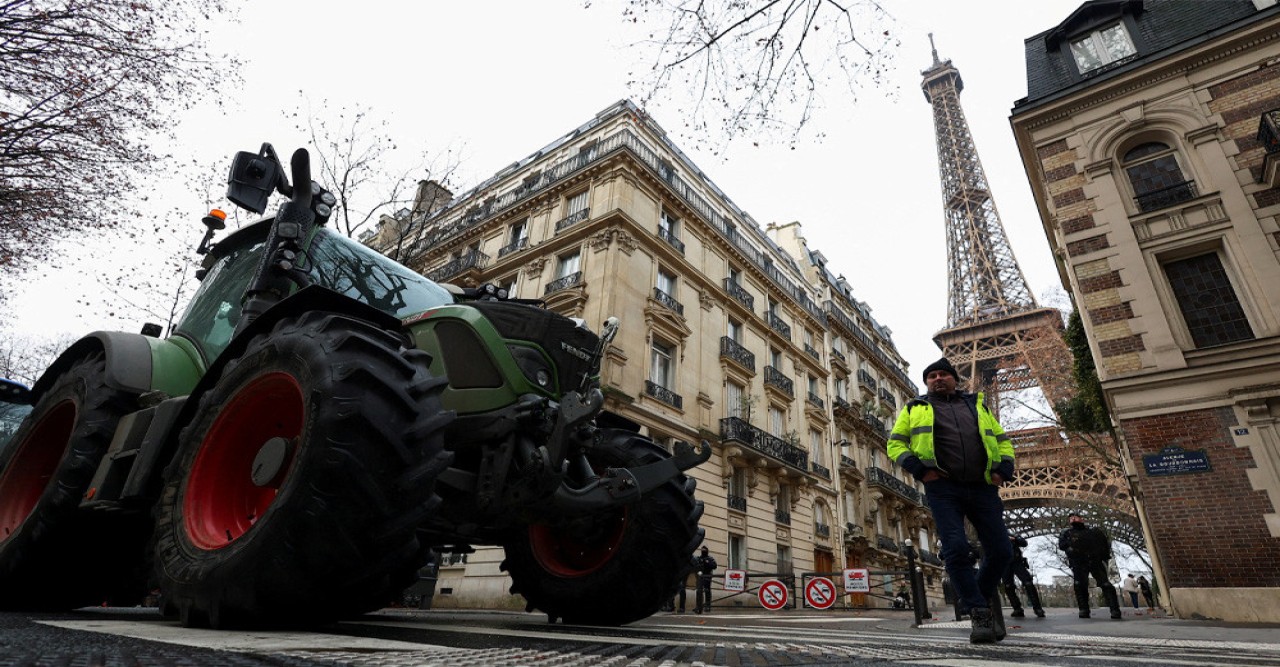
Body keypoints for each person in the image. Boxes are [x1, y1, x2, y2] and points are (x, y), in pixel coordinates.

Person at [887, 357, 1015, 644]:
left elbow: (1002, 440)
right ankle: (980, 612)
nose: (937, 378)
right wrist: (921, 470)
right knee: (956, 549)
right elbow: (895, 443)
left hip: (982, 485)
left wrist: (1003, 470)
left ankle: (976, 598)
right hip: (943, 487)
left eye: (944, 374)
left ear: (955, 379)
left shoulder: (977, 405)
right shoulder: (915, 408)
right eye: (931, 375)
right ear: (927, 382)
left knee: (1002, 552)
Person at [1058, 513, 1122, 619]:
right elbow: (1062, 545)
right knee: (1079, 585)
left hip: (1094, 560)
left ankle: (1115, 610)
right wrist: (1071, 551)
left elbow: (1104, 544)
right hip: (1078, 561)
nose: (1073, 518)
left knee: (1105, 584)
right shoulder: (1066, 533)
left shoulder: (1094, 531)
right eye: (1070, 518)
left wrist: (1103, 557)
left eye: (1075, 517)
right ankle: (1084, 610)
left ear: (1082, 519)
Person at [1002, 534, 1045, 618]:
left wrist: (1014, 539)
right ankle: (1017, 608)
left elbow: (1024, 543)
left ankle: (1037, 608)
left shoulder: (1010, 535)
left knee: (1028, 583)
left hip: (1017, 562)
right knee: (1008, 586)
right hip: (1004, 563)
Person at [692, 546, 716, 614]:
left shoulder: (710, 558)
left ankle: (707, 605)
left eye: (704, 550)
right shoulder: (699, 558)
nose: (703, 551)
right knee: (699, 591)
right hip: (700, 576)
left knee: (707, 590)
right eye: (702, 550)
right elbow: (695, 566)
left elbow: (714, 566)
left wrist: (707, 562)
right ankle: (698, 606)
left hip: (707, 576)